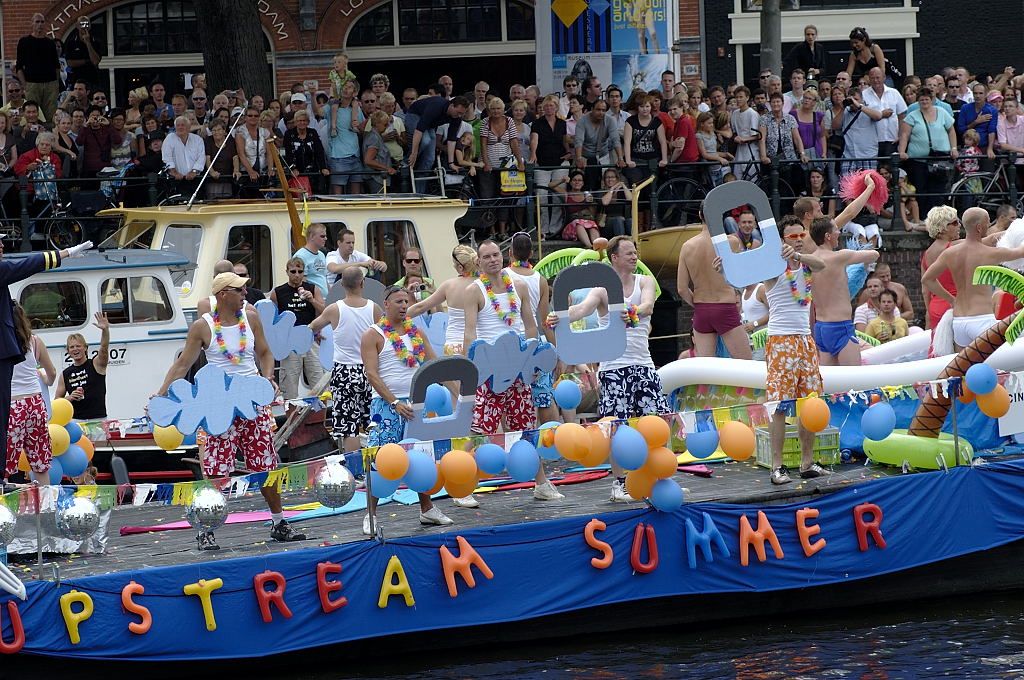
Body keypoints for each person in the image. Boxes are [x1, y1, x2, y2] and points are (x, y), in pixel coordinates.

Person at [155, 272, 305, 547]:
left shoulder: (251, 318)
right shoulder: (203, 327)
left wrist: (268, 377)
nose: (245, 293)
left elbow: (265, 352)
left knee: (266, 465)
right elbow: (182, 364)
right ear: (223, 294)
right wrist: (162, 393)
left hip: (251, 401)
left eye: (245, 288)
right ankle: (206, 529)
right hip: (218, 405)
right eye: (239, 289)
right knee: (216, 470)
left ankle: (278, 522)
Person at [548, 236, 669, 502]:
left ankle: (660, 478)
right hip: (614, 366)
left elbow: (648, 306)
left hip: (643, 364)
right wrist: (562, 315)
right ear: (614, 257)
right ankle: (619, 483)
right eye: (628, 252)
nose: (634, 256)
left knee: (656, 421)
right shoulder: (603, 289)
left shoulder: (644, 281)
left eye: (635, 252)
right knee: (616, 426)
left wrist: (635, 309)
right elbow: (582, 308)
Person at [463, 240, 561, 503]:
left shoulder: (518, 286)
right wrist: (472, 368)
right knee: (480, 428)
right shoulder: (474, 291)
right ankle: (462, 484)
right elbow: (470, 333)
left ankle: (541, 482)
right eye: (486, 257)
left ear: (503, 257)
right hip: (490, 372)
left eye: (496, 255)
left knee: (526, 426)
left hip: (518, 369)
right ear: (479, 262)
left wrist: (532, 361)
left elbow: (530, 327)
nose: (492, 260)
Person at [361, 285, 453, 532]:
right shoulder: (373, 334)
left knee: (420, 457)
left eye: (406, 301)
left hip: (416, 404)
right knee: (381, 459)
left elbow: (433, 365)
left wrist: (455, 389)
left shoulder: (417, 332)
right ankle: (371, 515)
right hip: (386, 405)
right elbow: (371, 373)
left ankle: (427, 509)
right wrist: (394, 402)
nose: (403, 306)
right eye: (398, 301)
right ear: (386, 304)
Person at [762, 216, 829, 485]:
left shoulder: (806, 263)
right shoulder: (772, 267)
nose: (798, 239)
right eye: (792, 237)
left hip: (805, 340)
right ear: (781, 240)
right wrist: (724, 270)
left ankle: (807, 462)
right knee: (779, 404)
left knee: (809, 402)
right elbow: (743, 275)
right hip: (781, 340)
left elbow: (822, 263)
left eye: (801, 235)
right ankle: (777, 466)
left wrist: (799, 253)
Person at [922, 207, 1024, 350]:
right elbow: (1020, 252)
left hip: (959, 322)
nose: (989, 226)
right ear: (979, 227)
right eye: (988, 222)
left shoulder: (950, 253)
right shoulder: (990, 253)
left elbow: (926, 280)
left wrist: (951, 299)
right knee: (997, 368)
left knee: (963, 370)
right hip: (982, 319)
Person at [807, 176, 881, 367]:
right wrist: (862, 247)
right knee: (852, 384)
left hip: (821, 328)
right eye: (836, 230)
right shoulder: (839, 257)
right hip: (841, 326)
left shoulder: (810, 258)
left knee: (830, 386)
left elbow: (849, 213)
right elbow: (873, 255)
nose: (840, 232)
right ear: (828, 236)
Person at [309, 267, 381, 453]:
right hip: (370, 370)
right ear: (362, 283)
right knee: (374, 422)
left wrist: (316, 334)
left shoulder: (334, 309)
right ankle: (379, 465)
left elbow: (311, 328)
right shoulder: (374, 308)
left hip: (344, 372)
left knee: (350, 428)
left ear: (341, 285)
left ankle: (355, 472)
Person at [677, 216, 754, 360]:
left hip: (702, 307)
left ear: (700, 216)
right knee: (745, 364)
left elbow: (681, 288)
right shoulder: (731, 242)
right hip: (725, 306)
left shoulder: (687, 246)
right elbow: (742, 275)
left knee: (706, 370)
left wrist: (698, 305)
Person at [507, 233, 560, 429]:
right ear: (531, 253)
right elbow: (545, 320)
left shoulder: (504, 276)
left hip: (512, 340)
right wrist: (554, 350)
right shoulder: (541, 279)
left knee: (512, 394)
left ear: (509, 253)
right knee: (543, 393)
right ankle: (553, 442)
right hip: (536, 340)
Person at [5, 303, 57, 483]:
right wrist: (45, 379)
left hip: (12, 405)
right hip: (35, 403)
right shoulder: (35, 341)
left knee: (5, 462)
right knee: (40, 461)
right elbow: (52, 374)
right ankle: (47, 503)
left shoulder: (4, 343)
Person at [270, 257, 326, 400]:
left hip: (310, 337)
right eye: (293, 271)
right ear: (287, 272)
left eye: (300, 271)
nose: (296, 275)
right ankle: (291, 419)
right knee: (289, 384)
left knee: (318, 381)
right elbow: (273, 319)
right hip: (289, 341)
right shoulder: (278, 292)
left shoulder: (313, 289)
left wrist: (312, 300)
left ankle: (319, 418)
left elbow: (325, 313)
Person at [408, 245, 479, 356]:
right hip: (477, 343)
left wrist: (391, 318)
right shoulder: (484, 285)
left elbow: (420, 307)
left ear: (460, 268)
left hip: (453, 345)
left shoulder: (449, 285)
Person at [898, 88, 957, 216]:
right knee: (921, 188)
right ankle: (924, 216)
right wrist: (902, 151)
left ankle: (938, 216)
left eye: (926, 99)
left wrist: (954, 148)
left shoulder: (942, 112)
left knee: (938, 189)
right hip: (918, 160)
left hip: (940, 158)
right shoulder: (912, 116)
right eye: (921, 100)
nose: (924, 101)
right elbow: (904, 135)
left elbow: (951, 131)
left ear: (931, 100)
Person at [530, 94, 572, 238]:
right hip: (542, 163)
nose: (548, 108)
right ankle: (543, 229)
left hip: (559, 162)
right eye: (546, 106)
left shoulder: (562, 123)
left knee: (557, 198)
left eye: (551, 105)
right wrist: (533, 154)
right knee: (541, 196)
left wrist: (568, 153)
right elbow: (534, 140)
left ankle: (555, 229)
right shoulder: (537, 123)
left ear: (556, 107)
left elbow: (565, 140)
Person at [56, 312, 110, 420]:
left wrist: (105, 330)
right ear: (68, 351)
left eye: (78, 346)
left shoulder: (96, 364)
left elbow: (104, 348)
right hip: (76, 421)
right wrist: (70, 397)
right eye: (72, 347)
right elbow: (57, 401)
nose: (75, 349)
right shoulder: (65, 374)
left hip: (98, 419)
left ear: (85, 348)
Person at [15, 15, 60, 121]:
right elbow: (19, 66)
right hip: (32, 83)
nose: (40, 24)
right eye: (37, 22)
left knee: (51, 115)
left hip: (50, 83)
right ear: (32, 23)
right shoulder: (24, 42)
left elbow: (56, 65)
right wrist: (25, 85)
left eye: (42, 22)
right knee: (32, 114)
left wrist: (56, 84)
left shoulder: (50, 43)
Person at [574, 100, 624, 190]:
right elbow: (578, 141)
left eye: (603, 110)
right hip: (585, 156)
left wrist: (620, 158)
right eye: (598, 109)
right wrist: (579, 158)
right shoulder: (582, 121)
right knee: (584, 183)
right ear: (592, 109)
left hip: (603, 155)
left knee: (606, 181)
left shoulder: (609, 120)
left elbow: (615, 139)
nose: (601, 112)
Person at [862, 67, 907, 158]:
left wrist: (900, 135)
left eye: (878, 77)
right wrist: (881, 114)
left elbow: (902, 116)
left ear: (884, 77)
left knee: (890, 170)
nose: (875, 80)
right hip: (872, 142)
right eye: (872, 78)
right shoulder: (863, 95)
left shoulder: (894, 93)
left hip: (892, 140)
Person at [283, 109, 329, 194]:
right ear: (295, 122)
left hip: (313, 171)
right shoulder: (289, 134)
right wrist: (293, 169)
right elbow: (288, 153)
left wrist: (323, 167)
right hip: (297, 173)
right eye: (299, 121)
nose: (302, 123)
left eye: (304, 121)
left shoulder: (313, 132)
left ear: (308, 122)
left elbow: (319, 151)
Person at [235, 106, 274, 198]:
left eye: (256, 116)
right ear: (245, 117)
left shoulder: (265, 132)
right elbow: (241, 154)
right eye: (250, 115)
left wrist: (270, 169)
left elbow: (269, 153)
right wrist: (250, 171)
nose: (253, 118)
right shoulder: (240, 132)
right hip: (247, 171)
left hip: (262, 171)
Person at [162, 115, 205, 197]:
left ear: (189, 127)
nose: (180, 127)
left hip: (195, 179)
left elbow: (201, 158)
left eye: (183, 125)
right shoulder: (169, 138)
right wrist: (174, 172)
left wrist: (194, 172)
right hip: (176, 180)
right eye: (178, 125)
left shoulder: (198, 139)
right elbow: (167, 158)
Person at [292, 223, 329, 297]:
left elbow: (323, 278)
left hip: (325, 301)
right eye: (322, 236)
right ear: (312, 237)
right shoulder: (300, 256)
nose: (326, 238)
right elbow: (301, 283)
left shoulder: (321, 254)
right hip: (312, 300)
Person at [599, 168, 632, 237]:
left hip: (622, 220)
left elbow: (631, 199)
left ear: (617, 179)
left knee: (630, 221)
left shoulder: (621, 192)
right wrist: (612, 189)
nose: (610, 179)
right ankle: (621, 243)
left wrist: (623, 186)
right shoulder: (601, 192)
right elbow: (605, 202)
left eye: (612, 177)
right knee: (618, 219)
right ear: (604, 180)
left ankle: (633, 244)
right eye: (607, 177)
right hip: (606, 222)